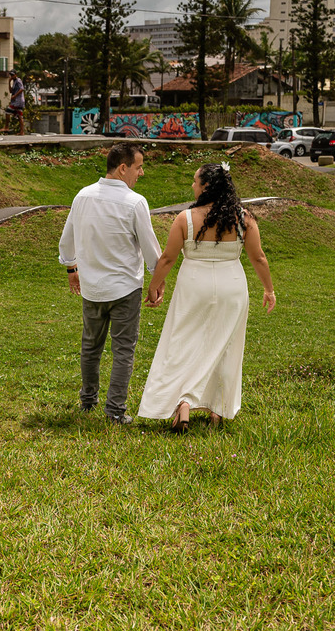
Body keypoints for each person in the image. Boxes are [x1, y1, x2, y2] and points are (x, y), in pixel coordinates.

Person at [137, 162, 276, 432]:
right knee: (226, 344)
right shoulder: (244, 218)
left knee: (184, 342)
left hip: (193, 285)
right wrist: (268, 289)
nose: (192, 185)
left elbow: (168, 258)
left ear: (205, 187)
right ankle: (218, 408)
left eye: (195, 181)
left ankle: (184, 404)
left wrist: (154, 286)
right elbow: (258, 257)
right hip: (231, 285)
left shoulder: (185, 219)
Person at [59, 142, 163, 424]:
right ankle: (115, 410)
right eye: (139, 167)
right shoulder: (135, 202)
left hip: (91, 288)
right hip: (125, 289)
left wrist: (72, 268)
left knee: (91, 347)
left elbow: (67, 240)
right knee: (123, 350)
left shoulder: (82, 196)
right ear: (123, 168)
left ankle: (88, 401)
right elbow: (151, 250)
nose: (141, 173)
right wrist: (158, 278)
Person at [5, 70, 26, 134]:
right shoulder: (14, 82)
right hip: (17, 101)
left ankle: (6, 127)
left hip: (18, 100)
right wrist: (9, 82)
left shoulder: (18, 80)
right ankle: (21, 131)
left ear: (16, 75)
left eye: (13, 75)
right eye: (11, 75)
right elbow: (11, 91)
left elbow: (22, 89)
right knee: (19, 115)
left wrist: (15, 96)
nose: (12, 76)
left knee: (7, 111)